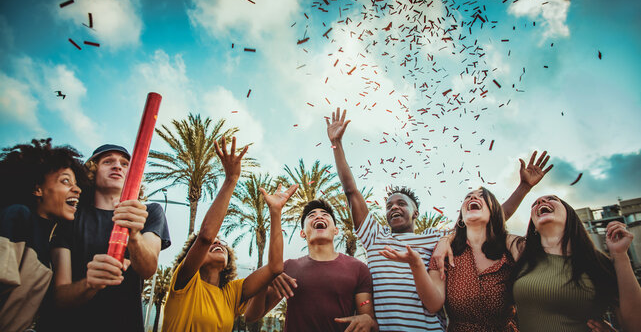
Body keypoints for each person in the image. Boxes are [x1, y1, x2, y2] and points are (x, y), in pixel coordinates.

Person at [326, 107, 551, 331]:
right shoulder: (374, 236)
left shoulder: (436, 238)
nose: (394, 207)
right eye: (389, 206)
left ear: (416, 213)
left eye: (401, 203)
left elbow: (488, 219)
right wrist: (337, 145)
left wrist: (523, 187)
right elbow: (351, 191)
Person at [161, 137, 297, 332]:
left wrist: (275, 212)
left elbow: (275, 268)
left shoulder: (232, 293)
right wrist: (231, 179)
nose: (217, 242)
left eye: (222, 242)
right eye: (212, 244)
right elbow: (206, 236)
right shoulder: (185, 282)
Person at [40, 144, 171, 332]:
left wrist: (134, 234)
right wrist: (89, 284)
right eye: (108, 161)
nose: (117, 166)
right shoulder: (70, 216)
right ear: (92, 172)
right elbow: (60, 296)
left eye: (125, 164)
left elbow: (148, 269)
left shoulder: (149, 212)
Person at [381, 187, 519, 331]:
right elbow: (434, 304)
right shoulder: (444, 253)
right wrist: (416, 264)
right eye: (468, 196)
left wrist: (524, 187)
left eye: (481, 196)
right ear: (461, 216)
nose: (473, 198)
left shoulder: (510, 249)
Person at [244, 199, 377, 332]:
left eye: (325, 214)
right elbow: (251, 316)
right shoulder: (287, 268)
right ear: (302, 233)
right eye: (311, 215)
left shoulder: (358, 268)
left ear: (336, 230)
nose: (319, 216)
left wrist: (368, 320)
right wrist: (267, 278)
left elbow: (369, 318)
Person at [512, 196, 641, 332]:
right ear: (534, 226)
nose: (541, 202)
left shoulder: (598, 263)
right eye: (534, 204)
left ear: (570, 215)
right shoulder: (521, 254)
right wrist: (524, 186)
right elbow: (491, 223)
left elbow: (635, 326)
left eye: (551, 199)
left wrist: (620, 255)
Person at [0, 138, 85, 331]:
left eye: (77, 183)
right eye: (65, 181)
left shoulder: (51, 243)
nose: (77, 189)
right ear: (38, 189)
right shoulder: (17, 217)